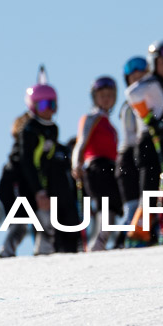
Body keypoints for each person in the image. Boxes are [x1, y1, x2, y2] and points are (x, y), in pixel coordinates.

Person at [126, 40, 163, 245]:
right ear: (154, 62)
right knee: (151, 189)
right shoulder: (151, 82)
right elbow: (131, 93)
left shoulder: (159, 85)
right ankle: (139, 236)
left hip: (160, 143)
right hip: (149, 144)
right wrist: (149, 119)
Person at [17, 74, 79, 255]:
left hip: (51, 182)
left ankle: (68, 249)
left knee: (65, 217)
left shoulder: (52, 128)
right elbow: (27, 161)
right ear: (33, 106)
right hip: (37, 185)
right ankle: (42, 253)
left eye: (52, 105)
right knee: (44, 220)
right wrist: (38, 190)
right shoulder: (29, 129)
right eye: (43, 105)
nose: (48, 110)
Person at [72, 76, 122, 251]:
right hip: (96, 166)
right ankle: (97, 243)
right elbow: (81, 141)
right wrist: (75, 163)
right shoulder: (91, 118)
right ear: (94, 97)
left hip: (111, 167)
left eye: (110, 95)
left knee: (113, 205)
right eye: (102, 95)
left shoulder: (111, 125)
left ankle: (102, 242)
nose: (106, 98)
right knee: (105, 204)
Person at [116, 56, 148, 238]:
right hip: (129, 158)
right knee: (133, 207)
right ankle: (121, 242)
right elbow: (132, 135)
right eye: (133, 76)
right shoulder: (129, 106)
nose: (137, 78)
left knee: (140, 205)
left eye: (142, 75)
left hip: (138, 156)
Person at [0, 112, 33, 258]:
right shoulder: (20, 149)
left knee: (24, 223)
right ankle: (6, 251)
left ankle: (8, 250)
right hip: (14, 188)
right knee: (20, 223)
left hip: (16, 187)